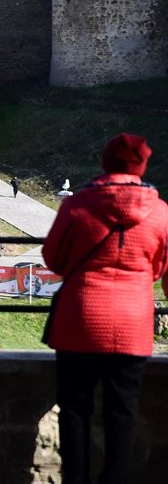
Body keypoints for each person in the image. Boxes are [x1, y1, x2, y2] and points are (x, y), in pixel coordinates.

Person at [42, 133, 168, 484]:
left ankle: (76, 479)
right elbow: (161, 269)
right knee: (122, 409)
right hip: (133, 320)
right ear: (142, 165)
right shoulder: (160, 212)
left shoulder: (77, 205)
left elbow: (53, 258)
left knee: (75, 408)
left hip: (80, 316)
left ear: (104, 162)